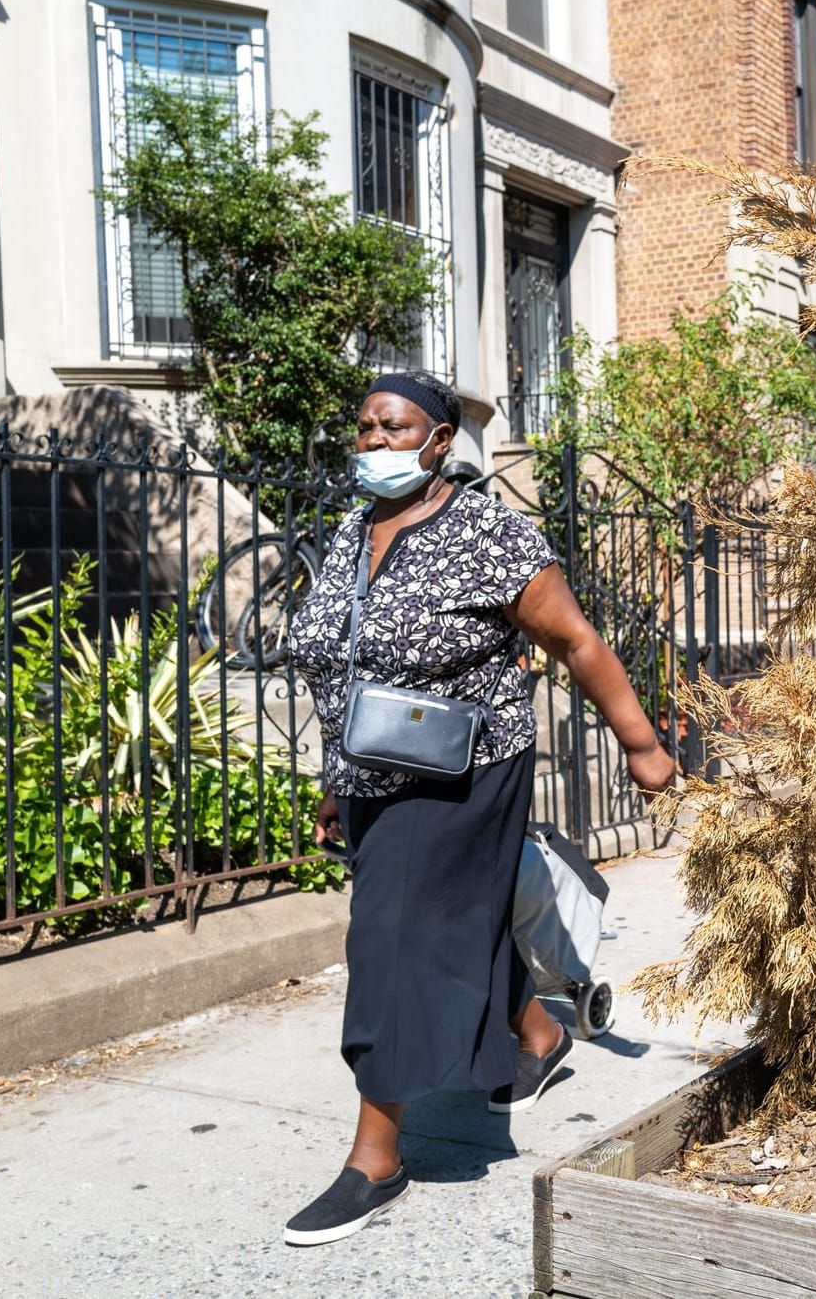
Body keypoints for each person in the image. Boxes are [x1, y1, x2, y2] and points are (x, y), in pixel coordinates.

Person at [282, 371, 675, 1246]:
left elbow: (575, 639)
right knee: (453, 919)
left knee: (390, 939)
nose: (374, 443)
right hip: (372, 773)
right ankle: (537, 1036)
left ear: (438, 439)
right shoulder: (354, 529)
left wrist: (641, 744)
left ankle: (376, 1160)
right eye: (364, 428)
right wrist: (333, 785)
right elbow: (341, 666)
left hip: (464, 768)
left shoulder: (488, 531)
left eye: (393, 427)